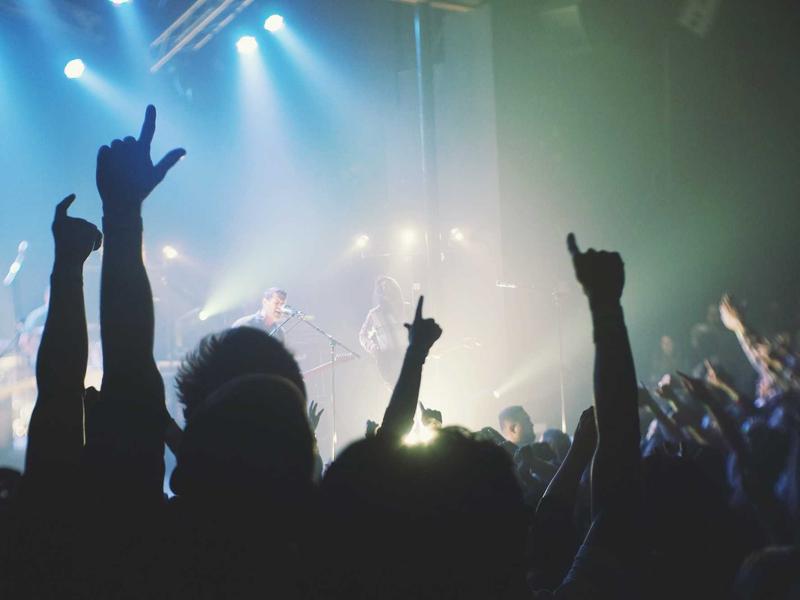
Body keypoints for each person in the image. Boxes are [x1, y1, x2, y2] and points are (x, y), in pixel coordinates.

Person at [359, 276, 408, 385]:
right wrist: (374, 348)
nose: (385, 290)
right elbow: (363, 336)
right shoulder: (374, 314)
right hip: (388, 361)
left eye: (387, 286)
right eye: (381, 287)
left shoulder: (407, 309)